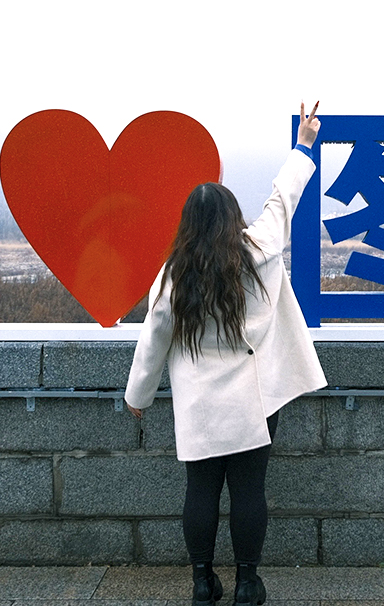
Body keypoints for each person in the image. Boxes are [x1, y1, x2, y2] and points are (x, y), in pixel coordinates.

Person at [125, 102, 327, 606]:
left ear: (187, 223)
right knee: (249, 490)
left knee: (201, 490)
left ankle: (202, 582)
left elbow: (153, 338)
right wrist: (304, 144)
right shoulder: (260, 250)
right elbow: (283, 199)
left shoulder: (174, 276)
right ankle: (247, 584)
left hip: (199, 401)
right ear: (234, 217)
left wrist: (138, 396)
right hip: (255, 399)